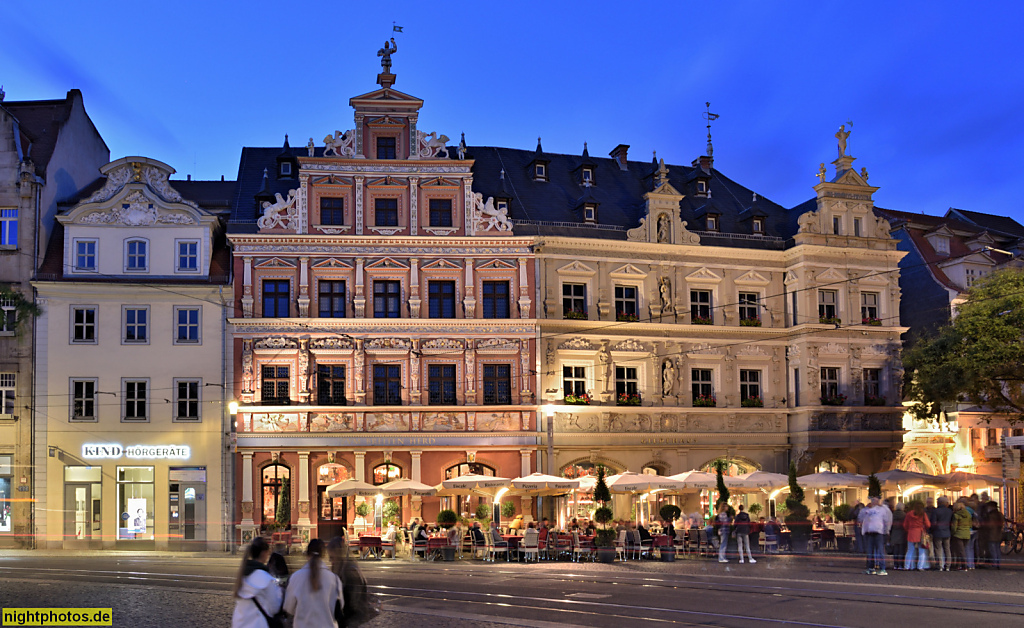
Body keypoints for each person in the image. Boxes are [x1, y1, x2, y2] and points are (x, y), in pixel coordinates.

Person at [284, 538, 342, 628]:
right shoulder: (334, 579)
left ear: (307, 554)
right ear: (324, 555)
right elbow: (339, 607)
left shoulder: (295, 577)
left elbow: (289, 608)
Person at [232, 537, 283, 628]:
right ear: (264, 553)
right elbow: (274, 608)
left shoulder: (243, 575)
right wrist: (280, 592)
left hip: (239, 623)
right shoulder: (266, 578)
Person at [858, 496, 892, 575]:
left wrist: (886, 530)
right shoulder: (870, 510)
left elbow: (860, 518)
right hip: (873, 532)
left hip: (876, 532)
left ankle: (879, 568)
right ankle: (873, 568)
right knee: (874, 551)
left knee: (877, 551)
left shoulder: (880, 509)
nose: (874, 502)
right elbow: (861, 518)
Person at [902, 501, 930, 571]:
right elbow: (928, 525)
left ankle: (907, 566)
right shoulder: (923, 514)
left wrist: (908, 529)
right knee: (921, 551)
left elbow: (905, 525)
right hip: (920, 533)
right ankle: (920, 567)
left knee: (910, 550)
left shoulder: (909, 514)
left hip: (911, 533)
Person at [931, 496, 954, 571]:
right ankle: (948, 565)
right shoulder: (949, 511)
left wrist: (932, 530)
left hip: (937, 532)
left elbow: (933, 523)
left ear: (938, 503)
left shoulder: (935, 511)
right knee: (947, 549)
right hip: (947, 532)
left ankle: (940, 565)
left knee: (938, 549)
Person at [980, 501, 1005, 569]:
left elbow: (990, 525)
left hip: (992, 534)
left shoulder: (991, 515)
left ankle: (994, 564)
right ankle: (998, 563)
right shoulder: (999, 514)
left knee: (993, 550)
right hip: (998, 534)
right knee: (997, 549)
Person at [950, 501, 972, 571]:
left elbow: (954, 526)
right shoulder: (968, 514)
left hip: (958, 535)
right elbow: (970, 525)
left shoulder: (956, 515)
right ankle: (959, 565)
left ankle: (964, 566)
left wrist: (953, 533)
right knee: (962, 551)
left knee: (960, 551)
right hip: (967, 534)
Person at [889, 502, 906, 569]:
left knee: (895, 550)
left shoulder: (892, 514)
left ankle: (895, 565)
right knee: (901, 551)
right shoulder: (904, 515)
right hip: (902, 533)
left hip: (894, 533)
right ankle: (901, 565)